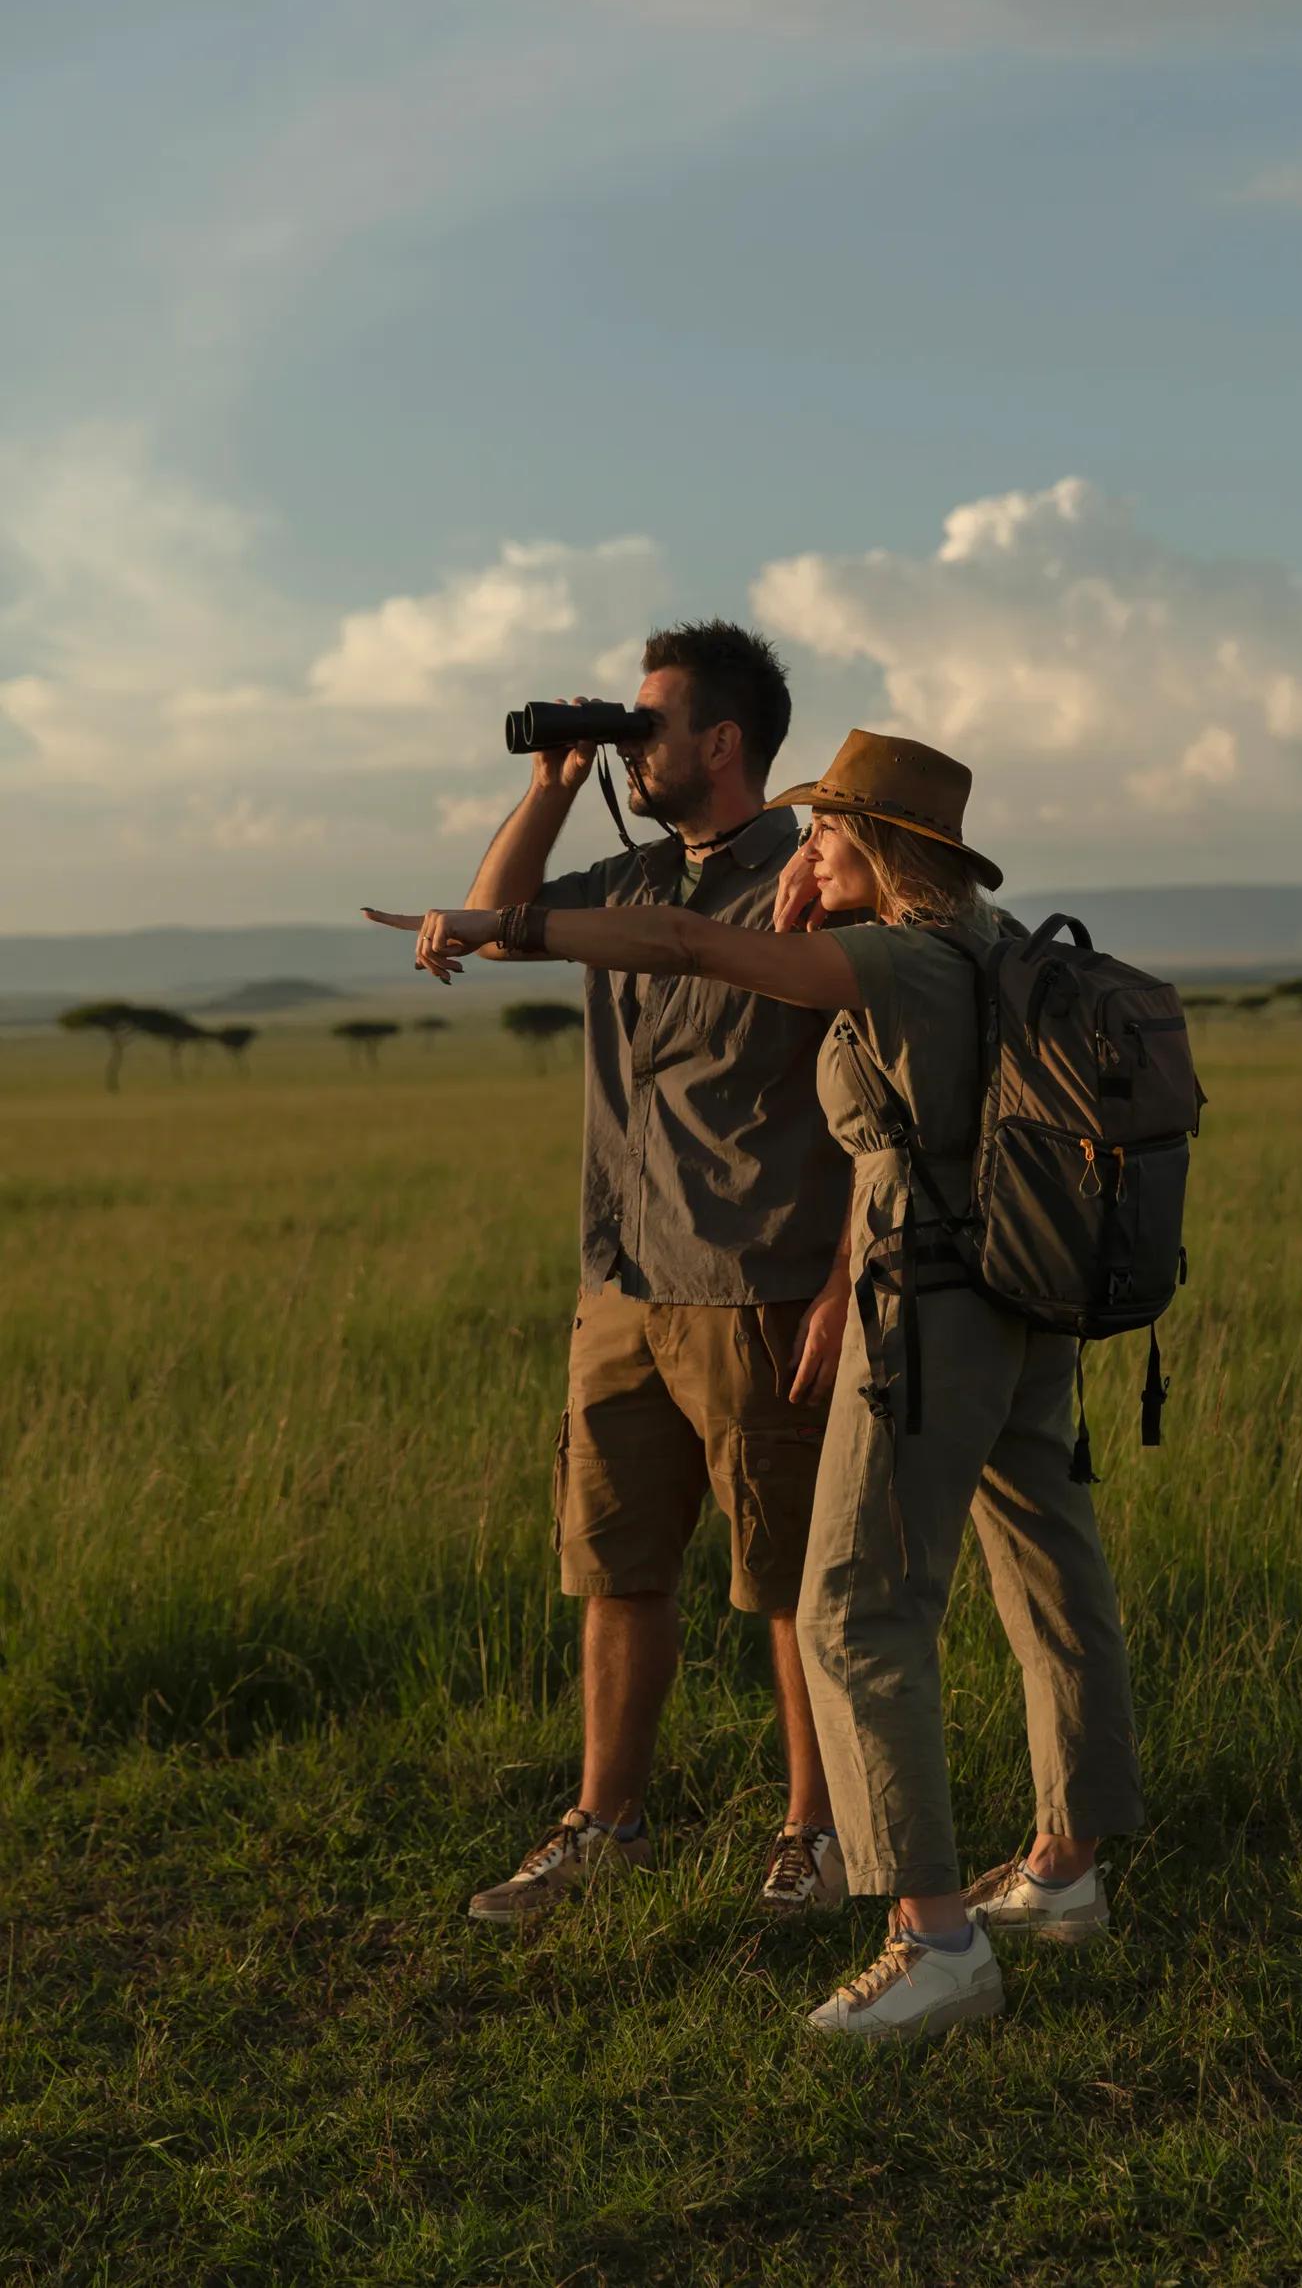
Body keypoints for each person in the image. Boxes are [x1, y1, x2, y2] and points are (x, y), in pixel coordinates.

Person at [367, 727, 1144, 2040]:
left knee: (854, 1610)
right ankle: (1066, 1871)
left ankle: (934, 1939)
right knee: (1051, 1577)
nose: (807, 845)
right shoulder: (991, 944)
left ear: (879, 846)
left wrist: (513, 925)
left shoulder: (894, 956)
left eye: (827, 829)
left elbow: (685, 946)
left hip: (924, 1305)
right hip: (1024, 1294)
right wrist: (808, 912)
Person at [450, 624, 854, 1923]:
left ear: (722, 742)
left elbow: (882, 1099)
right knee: (618, 1565)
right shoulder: (629, 876)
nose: (633, 745)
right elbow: (499, 924)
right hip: (621, 1278)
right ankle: (604, 1825)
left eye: (648, 725)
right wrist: (554, 783)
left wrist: (844, 1280)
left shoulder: (806, 881)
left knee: (787, 1581)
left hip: (758, 1280)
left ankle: (816, 1836)